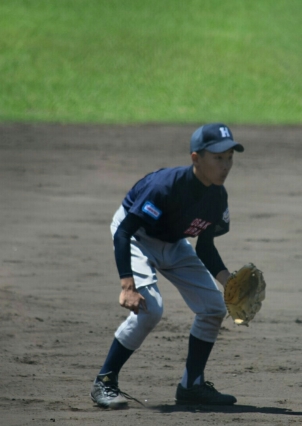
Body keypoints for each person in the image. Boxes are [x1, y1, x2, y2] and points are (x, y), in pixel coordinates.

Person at [90, 123, 244, 409]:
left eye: (229, 158)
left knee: (214, 307)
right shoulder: (164, 187)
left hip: (173, 241)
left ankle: (191, 386)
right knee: (150, 309)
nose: (225, 166)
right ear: (196, 158)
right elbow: (124, 232)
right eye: (218, 158)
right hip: (136, 235)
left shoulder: (217, 196)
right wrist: (127, 286)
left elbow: (205, 247)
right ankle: (105, 381)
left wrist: (229, 282)